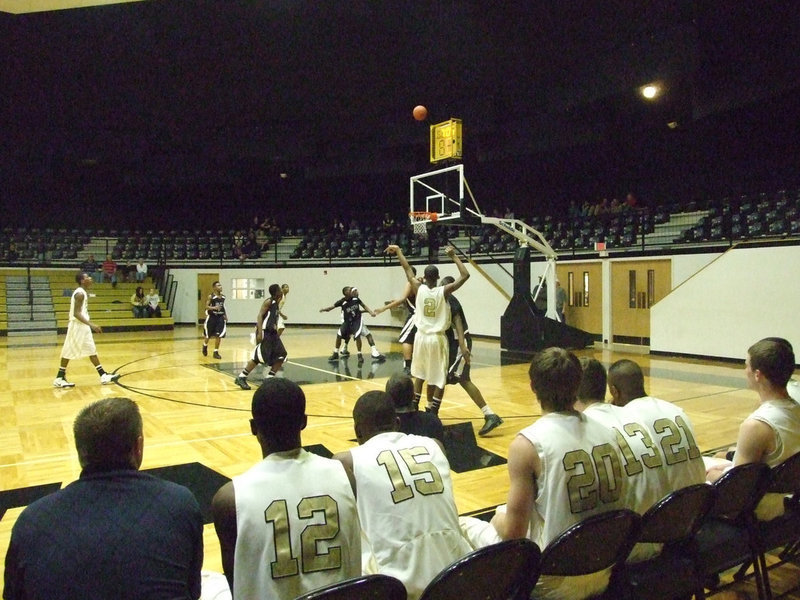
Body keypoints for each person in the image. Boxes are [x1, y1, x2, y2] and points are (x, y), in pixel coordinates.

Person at [4, 397, 203, 599]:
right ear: (138, 446)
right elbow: (193, 590)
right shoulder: (179, 503)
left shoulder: (31, 520)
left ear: (80, 452)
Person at [488, 347, 629, 599]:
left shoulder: (528, 444)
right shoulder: (610, 432)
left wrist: (497, 519)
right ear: (578, 385)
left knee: (485, 528)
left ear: (532, 387)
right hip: (606, 567)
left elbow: (514, 535)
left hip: (556, 581)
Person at [212, 379, 360, 600]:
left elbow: (236, 582)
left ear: (253, 427)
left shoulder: (229, 498)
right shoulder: (345, 476)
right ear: (304, 422)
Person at [333, 391, 472, 600]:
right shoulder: (435, 445)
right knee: (468, 524)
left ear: (357, 431)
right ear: (397, 423)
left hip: (398, 586)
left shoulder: (345, 462)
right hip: (456, 573)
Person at [706, 337, 800, 520]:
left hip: (758, 512)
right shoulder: (796, 409)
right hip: (786, 499)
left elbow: (737, 489)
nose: (745, 371)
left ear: (757, 374)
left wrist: (713, 475)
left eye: (746, 365)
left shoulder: (756, 425)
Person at [606, 358, 705, 513]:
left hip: (660, 517)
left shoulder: (623, 420)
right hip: (696, 505)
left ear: (613, 391)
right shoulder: (675, 409)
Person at [385, 244, 469, 414]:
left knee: (420, 374)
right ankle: (434, 410)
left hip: (421, 338)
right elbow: (465, 275)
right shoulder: (443, 291)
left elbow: (407, 269)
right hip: (437, 338)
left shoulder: (418, 288)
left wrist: (399, 251)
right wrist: (453, 256)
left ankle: (414, 406)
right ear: (438, 277)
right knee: (440, 378)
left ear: (424, 277)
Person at [439, 275, 503, 436]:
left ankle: (432, 413)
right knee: (455, 379)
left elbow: (458, 323)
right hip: (454, 344)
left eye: (443, 286)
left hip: (461, 344)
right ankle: (489, 414)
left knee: (449, 378)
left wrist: (462, 346)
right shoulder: (443, 299)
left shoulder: (451, 301)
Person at [53, 272, 121, 388]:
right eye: (87, 277)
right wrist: (92, 325)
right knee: (68, 350)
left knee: (91, 350)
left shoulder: (83, 292)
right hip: (77, 326)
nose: (90, 278)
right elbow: (76, 313)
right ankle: (59, 377)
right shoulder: (80, 294)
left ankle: (102, 375)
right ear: (82, 281)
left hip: (83, 327)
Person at [234, 284, 286, 390]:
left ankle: (269, 378)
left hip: (273, 333)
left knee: (282, 355)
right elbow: (260, 315)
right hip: (265, 332)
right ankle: (241, 377)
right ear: (276, 292)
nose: (281, 291)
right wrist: (259, 332)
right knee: (259, 356)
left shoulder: (277, 302)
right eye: (280, 290)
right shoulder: (268, 302)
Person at [320, 286, 385, 363]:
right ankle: (336, 352)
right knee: (339, 335)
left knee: (360, 336)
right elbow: (331, 307)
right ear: (346, 293)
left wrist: (370, 312)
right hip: (347, 323)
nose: (352, 291)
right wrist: (324, 309)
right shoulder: (342, 302)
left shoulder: (356, 299)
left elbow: (364, 306)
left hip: (357, 321)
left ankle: (360, 355)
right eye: (350, 290)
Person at [374, 266, 418, 375]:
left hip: (415, 315)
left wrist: (383, 308)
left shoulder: (410, 283)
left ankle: (407, 367)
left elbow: (403, 299)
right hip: (423, 316)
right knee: (416, 341)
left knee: (406, 339)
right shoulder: (420, 283)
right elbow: (409, 298)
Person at [385, 372, 444, 443]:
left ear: (387, 398)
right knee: (439, 379)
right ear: (414, 396)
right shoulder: (432, 422)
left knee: (421, 376)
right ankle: (433, 408)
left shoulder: (383, 425)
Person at [202, 281, 227, 359]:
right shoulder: (211, 296)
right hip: (212, 317)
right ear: (214, 288)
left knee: (218, 335)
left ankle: (216, 352)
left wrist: (225, 315)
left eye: (220, 285)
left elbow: (223, 306)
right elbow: (206, 306)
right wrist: (213, 308)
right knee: (208, 335)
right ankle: (205, 345)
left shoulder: (223, 297)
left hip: (220, 318)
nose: (220, 287)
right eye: (218, 285)